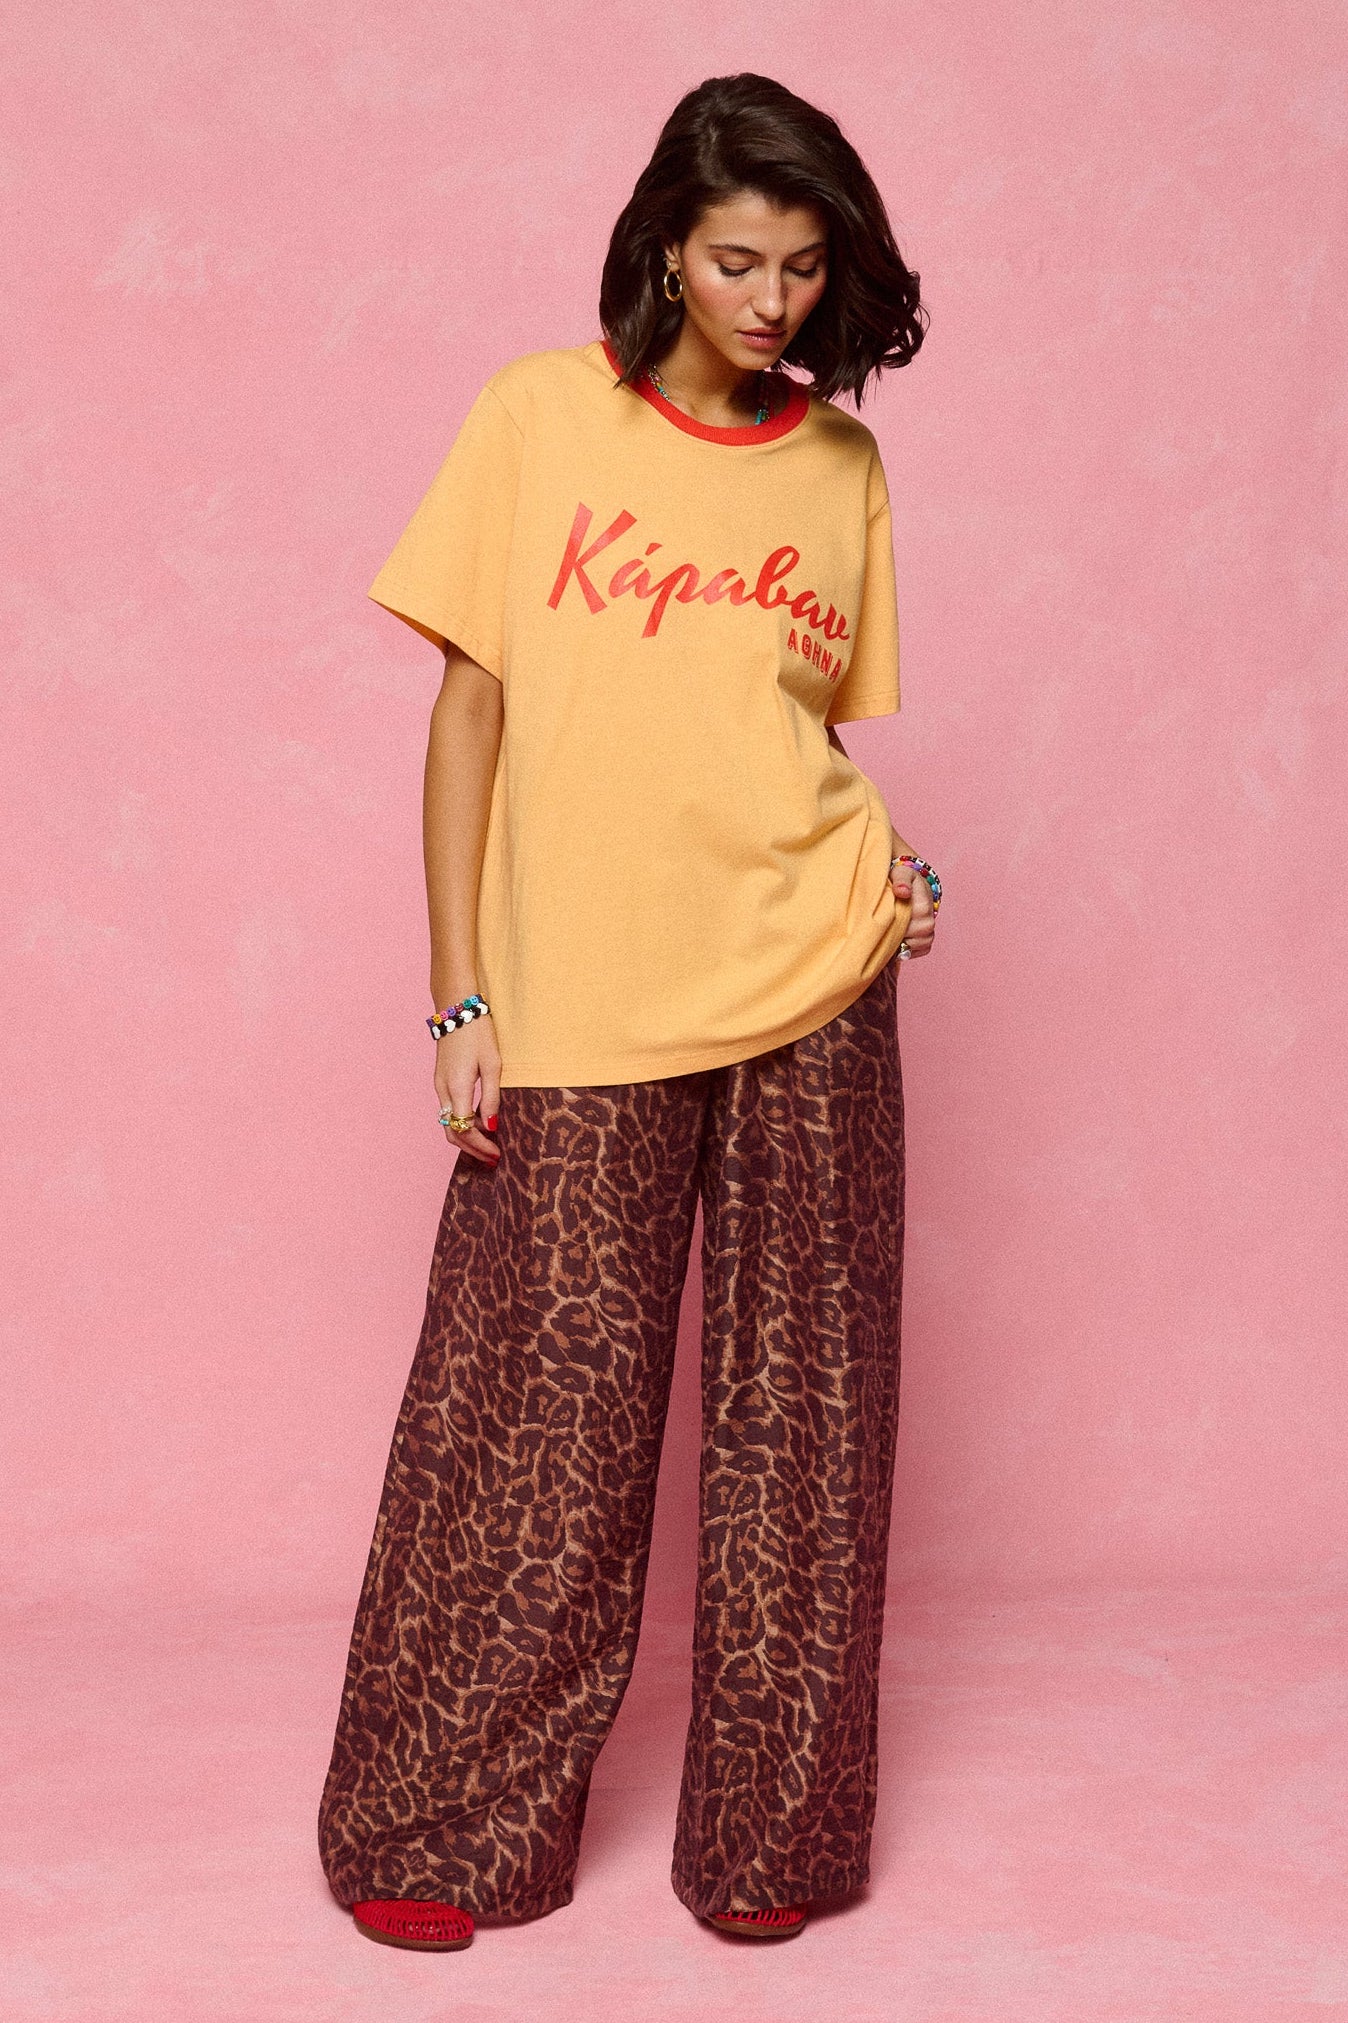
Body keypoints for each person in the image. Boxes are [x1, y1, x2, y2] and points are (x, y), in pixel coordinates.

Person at [317, 70, 940, 1953]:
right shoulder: (538, 416)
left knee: (806, 1418)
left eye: (804, 269)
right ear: (669, 247)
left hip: (816, 978)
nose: (772, 302)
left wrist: (888, 880)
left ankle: (773, 1839)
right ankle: (446, 1825)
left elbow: (788, 742)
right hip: (580, 988)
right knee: (538, 1417)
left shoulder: (840, 470)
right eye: (740, 261)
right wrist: (458, 995)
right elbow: (471, 713)